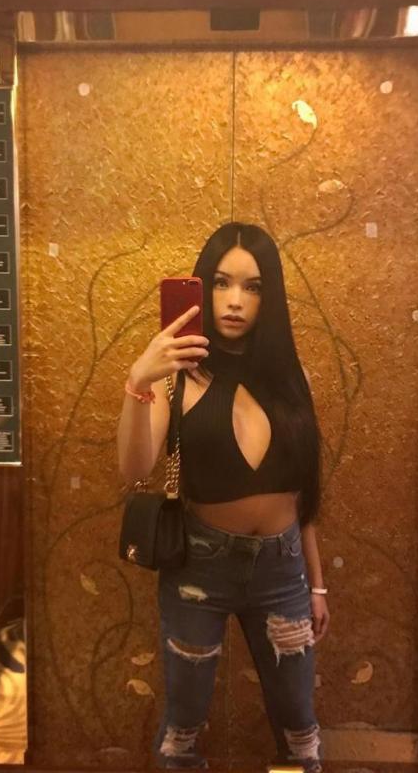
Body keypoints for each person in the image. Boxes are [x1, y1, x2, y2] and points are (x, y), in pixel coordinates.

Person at [117, 222, 328, 770]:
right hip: (199, 570)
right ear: (202, 288)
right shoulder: (176, 376)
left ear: (269, 296)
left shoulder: (291, 379)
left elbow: (302, 493)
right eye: (221, 282)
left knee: (299, 728)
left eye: (253, 286)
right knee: (183, 728)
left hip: (283, 570)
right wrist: (139, 382)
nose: (235, 300)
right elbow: (135, 469)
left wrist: (317, 583)